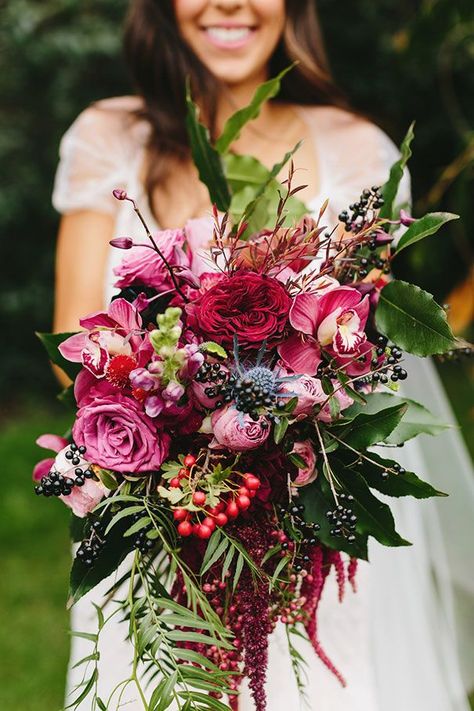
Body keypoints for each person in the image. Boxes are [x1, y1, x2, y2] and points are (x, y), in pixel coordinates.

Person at [52, 1, 474, 709]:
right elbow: (73, 341)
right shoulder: (108, 137)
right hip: (158, 517)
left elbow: (364, 346)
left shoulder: (358, 151)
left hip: (314, 525)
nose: (229, 3)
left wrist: (270, 433)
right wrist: (181, 429)